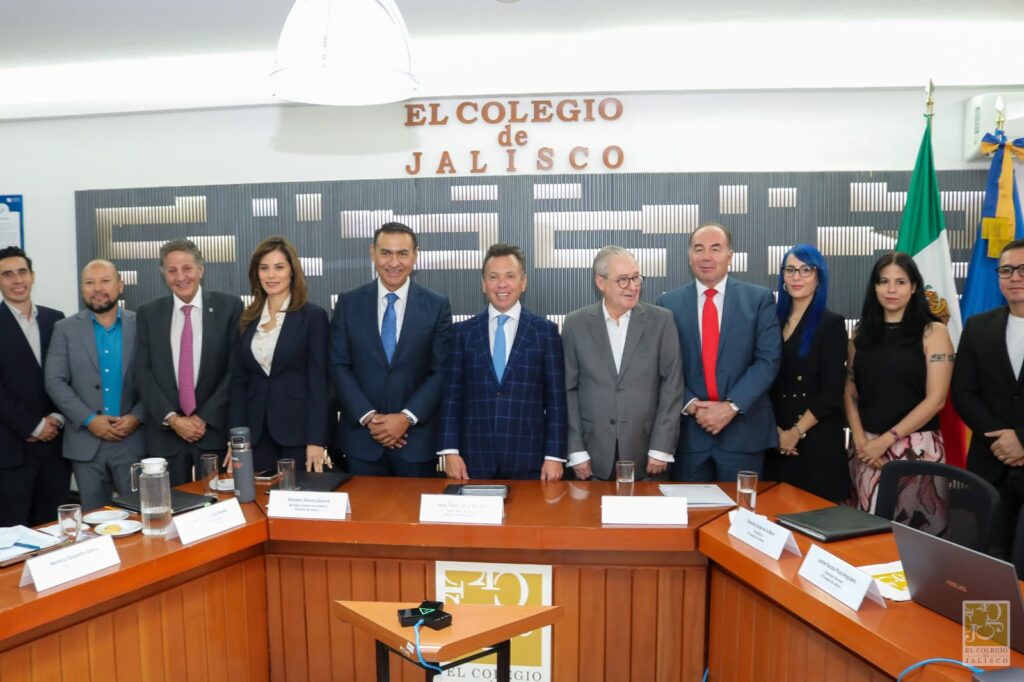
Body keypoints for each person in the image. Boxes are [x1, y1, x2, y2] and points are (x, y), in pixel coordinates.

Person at [656, 222, 781, 482]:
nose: (706, 257)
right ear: (689, 257)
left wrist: (731, 406)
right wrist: (691, 405)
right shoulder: (667, 304)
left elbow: (768, 360)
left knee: (741, 507)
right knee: (689, 507)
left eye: (715, 248)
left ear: (729, 256)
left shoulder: (759, 299)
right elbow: (663, 366)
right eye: (699, 249)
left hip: (744, 434)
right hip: (689, 436)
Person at [330, 222, 453, 477]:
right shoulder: (348, 303)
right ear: (372, 253)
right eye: (386, 253)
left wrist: (406, 418)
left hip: (416, 442)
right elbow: (338, 365)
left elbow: (441, 371)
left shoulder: (437, 306)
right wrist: (369, 417)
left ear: (415, 255)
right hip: (361, 442)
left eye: (402, 253)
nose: (394, 262)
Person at [438, 243, 567, 481]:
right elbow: (451, 397)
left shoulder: (545, 332)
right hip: (473, 460)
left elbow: (556, 401)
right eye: (493, 277)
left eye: (510, 276)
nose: (502, 284)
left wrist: (554, 456)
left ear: (523, 282)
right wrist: (450, 451)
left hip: (531, 459)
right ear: (483, 283)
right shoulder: (463, 333)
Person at [845, 251, 954, 517]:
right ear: (875, 286)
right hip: (866, 450)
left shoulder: (933, 331)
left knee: (914, 533)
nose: (891, 289)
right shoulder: (861, 332)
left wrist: (885, 441)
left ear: (914, 286)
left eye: (900, 282)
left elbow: (936, 400)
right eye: (884, 281)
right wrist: (860, 440)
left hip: (916, 448)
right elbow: (850, 390)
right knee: (864, 530)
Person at [562, 246, 683, 481]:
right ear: (600, 282)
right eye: (623, 280)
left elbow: (672, 386)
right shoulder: (575, 324)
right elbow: (568, 390)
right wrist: (576, 450)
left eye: (636, 277)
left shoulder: (661, 321)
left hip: (647, 453)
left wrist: (662, 447)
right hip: (592, 455)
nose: (633, 286)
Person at [134, 239, 243, 486]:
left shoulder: (229, 307)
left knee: (218, 504)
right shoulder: (148, 313)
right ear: (164, 274)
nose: (180, 277)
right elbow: (143, 373)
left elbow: (234, 370)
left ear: (200, 270)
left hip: (212, 433)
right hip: (165, 436)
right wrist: (173, 419)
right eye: (172, 270)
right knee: (169, 505)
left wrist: (202, 419)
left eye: (187, 268)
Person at [45, 260, 145, 511]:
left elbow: (157, 379)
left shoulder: (141, 325)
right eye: (90, 282)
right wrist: (90, 420)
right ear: (82, 289)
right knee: (93, 521)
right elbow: (54, 381)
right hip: (85, 444)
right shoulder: (65, 328)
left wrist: (137, 416)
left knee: (140, 516)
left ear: (120, 285)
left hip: (132, 441)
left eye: (105, 281)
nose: (97, 288)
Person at [229, 236, 330, 474]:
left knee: (297, 495)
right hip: (256, 435)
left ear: (292, 272)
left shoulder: (313, 317)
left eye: (279, 267)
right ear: (256, 274)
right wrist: (237, 439)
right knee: (257, 495)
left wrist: (316, 439)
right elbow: (239, 383)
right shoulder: (247, 319)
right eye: (264, 268)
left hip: (298, 435)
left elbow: (320, 383)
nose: (271, 275)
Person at [952, 238, 1024, 558]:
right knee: (991, 563)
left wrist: (1021, 439)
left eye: (1023, 269)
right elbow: (963, 392)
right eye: (1006, 270)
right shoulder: (978, 326)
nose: (1014, 277)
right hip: (990, 466)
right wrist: (1002, 440)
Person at [765, 245, 849, 502]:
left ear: (819, 276)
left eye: (805, 270)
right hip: (774, 439)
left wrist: (795, 433)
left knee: (815, 518)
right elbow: (762, 381)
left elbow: (832, 391)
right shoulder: (770, 321)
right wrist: (776, 432)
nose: (797, 277)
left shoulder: (831, 324)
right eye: (790, 270)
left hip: (815, 439)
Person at [0, 246, 70, 526]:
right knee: (14, 534)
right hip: (11, 451)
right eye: (7, 274)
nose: (17, 280)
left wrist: (57, 417)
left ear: (33, 276)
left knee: (55, 531)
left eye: (22, 272)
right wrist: (33, 426)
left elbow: (68, 375)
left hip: (56, 449)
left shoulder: (56, 319)